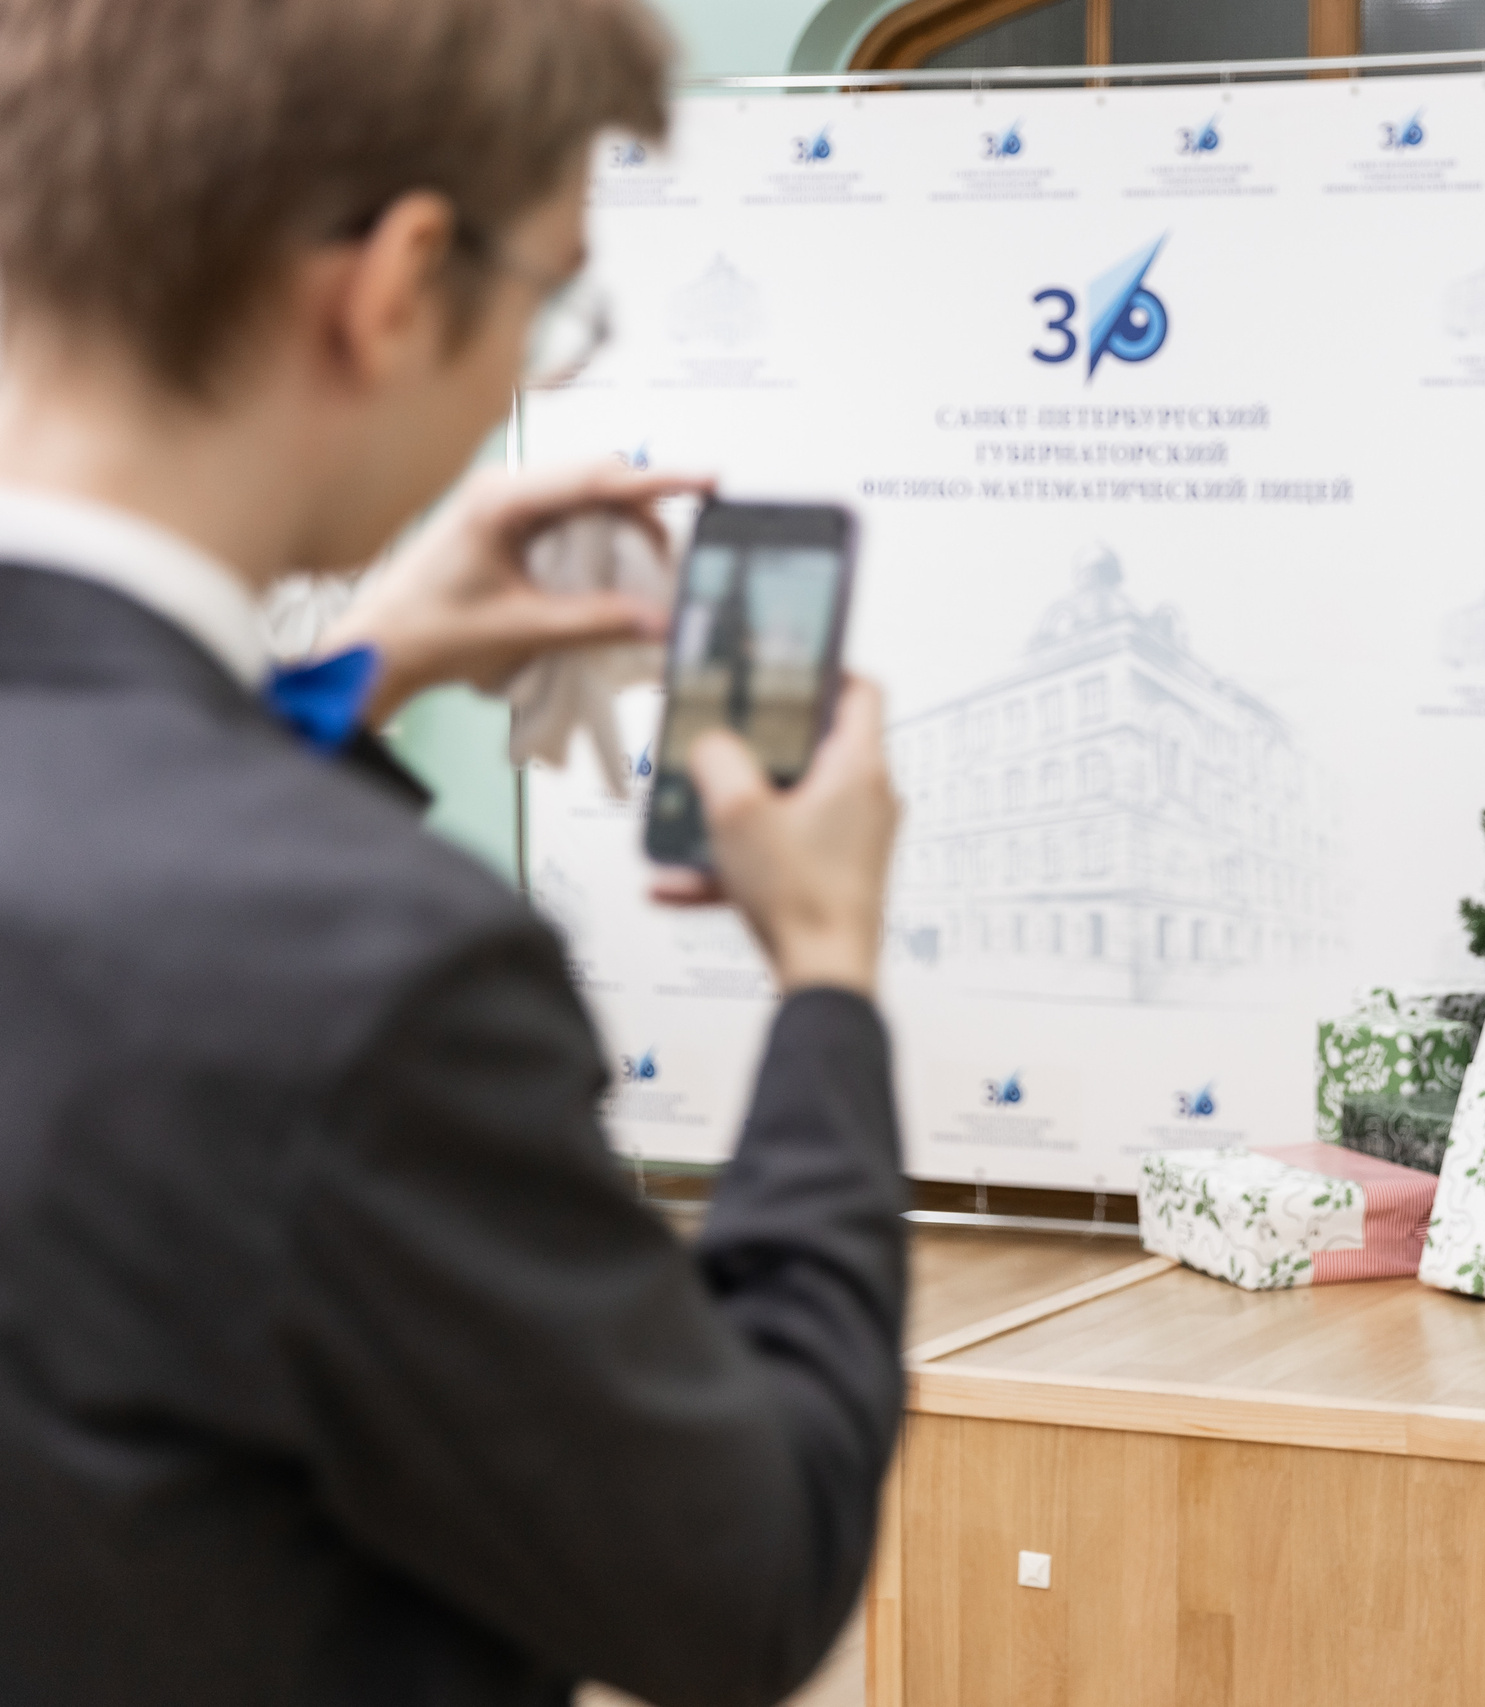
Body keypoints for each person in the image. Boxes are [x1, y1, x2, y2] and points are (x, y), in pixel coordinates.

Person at [0, 3, 907, 1704]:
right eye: (549, 300)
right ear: (403, 278)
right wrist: (831, 980)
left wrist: (357, 672)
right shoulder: (368, 973)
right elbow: (743, 1578)